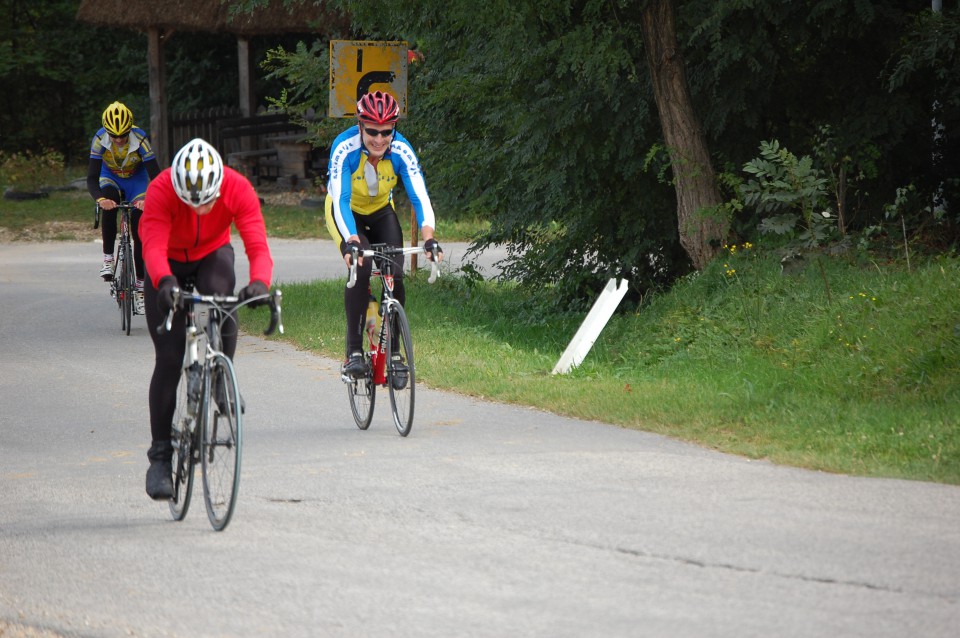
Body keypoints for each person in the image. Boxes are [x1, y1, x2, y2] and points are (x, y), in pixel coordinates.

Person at [139, 138, 273, 500]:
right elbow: (151, 243)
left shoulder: (237, 187)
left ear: (219, 187)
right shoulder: (162, 189)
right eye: (191, 203)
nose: (199, 209)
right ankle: (161, 458)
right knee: (168, 359)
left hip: (211, 253)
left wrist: (260, 282)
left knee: (220, 296)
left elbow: (257, 243)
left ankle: (220, 374)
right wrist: (164, 282)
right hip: (166, 262)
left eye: (208, 202)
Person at [325, 90, 443, 380]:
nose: (379, 139)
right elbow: (339, 199)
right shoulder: (344, 147)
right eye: (372, 132)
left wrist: (429, 237)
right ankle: (353, 353)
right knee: (361, 266)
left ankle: (395, 353)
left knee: (395, 273)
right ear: (360, 126)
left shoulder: (401, 150)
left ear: (394, 129)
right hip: (346, 212)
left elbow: (420, 197)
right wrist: (351, 240)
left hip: (380, 210)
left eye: (386, 132)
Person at [86, 101, 161, 315]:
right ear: (107, 132)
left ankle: (140, 288)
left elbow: (156, 177)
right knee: (109, 202)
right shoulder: (100, 139)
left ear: (130, 129)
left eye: (123, 135)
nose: (118, 140)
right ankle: (108, 259)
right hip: (109, 178)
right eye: (114, 136)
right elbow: (92, 178)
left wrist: (150, 200)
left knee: (140, 227)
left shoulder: (141, 138)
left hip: (136, 181)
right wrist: (100, 199)